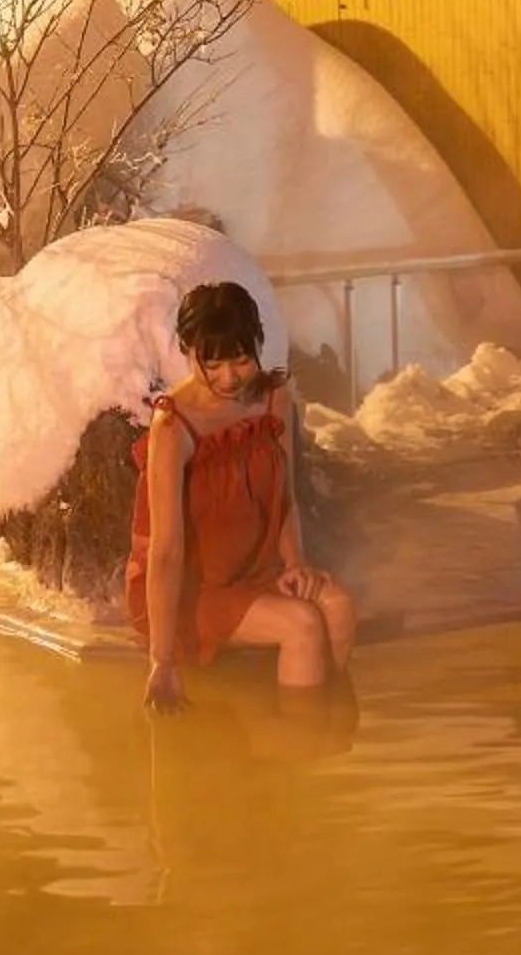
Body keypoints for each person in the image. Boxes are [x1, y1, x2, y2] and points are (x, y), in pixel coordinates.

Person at [126, 281, 356, 712]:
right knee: (302, 624)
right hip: (191, 586)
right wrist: (162, 659)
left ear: (257, 345)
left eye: (241, 359)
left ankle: (328, 726)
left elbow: (283, 493)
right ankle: (298, 757)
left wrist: (295, 563)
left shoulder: (274, 399)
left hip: (255, 567)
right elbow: (166, 550)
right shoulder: (174, 425)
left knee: (339, 607)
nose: (228, 378)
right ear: (186, 348)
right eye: (210, 362)